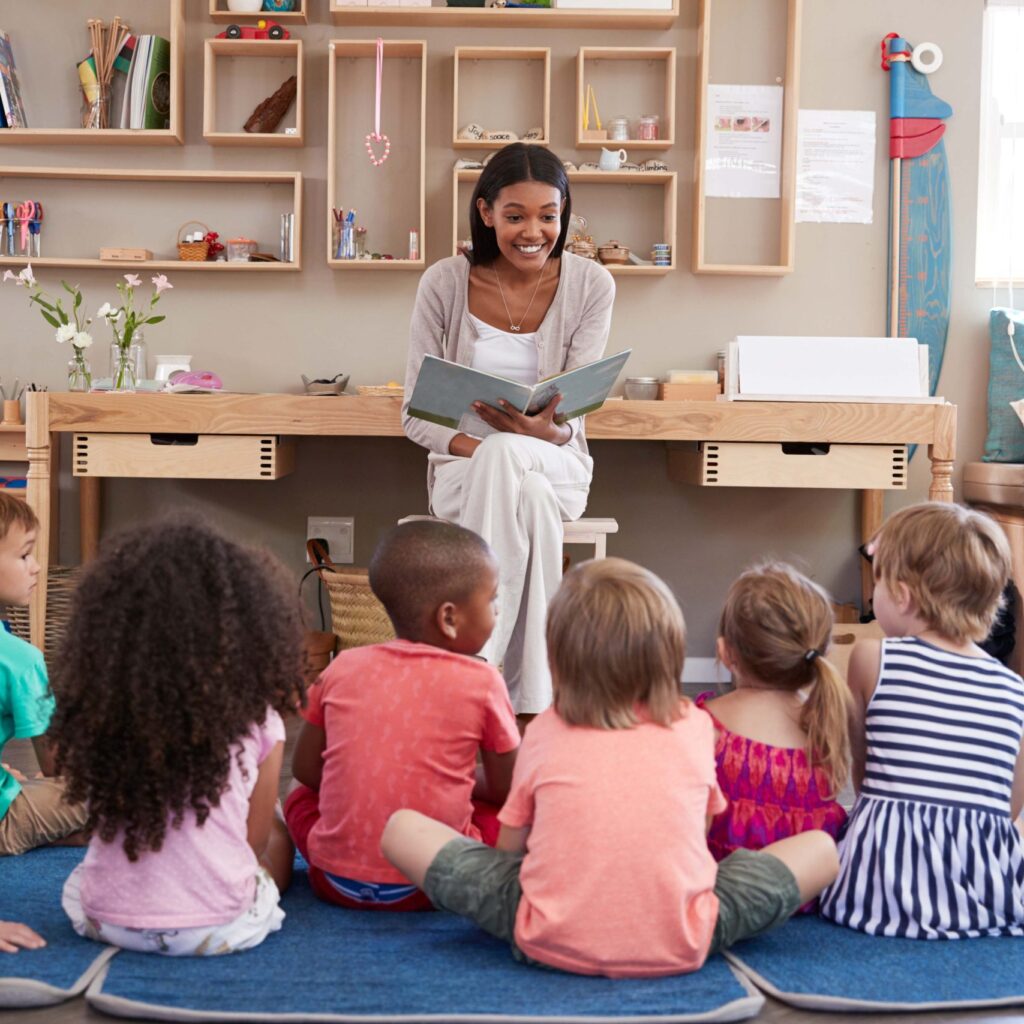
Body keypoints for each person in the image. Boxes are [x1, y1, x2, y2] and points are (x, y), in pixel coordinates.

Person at [381, 558, 838, 978]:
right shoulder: (696, 725)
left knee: (402, 828)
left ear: (558, 661)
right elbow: (698, 835)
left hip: (545, 936)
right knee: (821, 849)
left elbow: (508, 854)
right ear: (668, 656)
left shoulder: (544, 729)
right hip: (685, 937)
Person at [402, 142, 616, 716]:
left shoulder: (592, 285)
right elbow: (414, 417)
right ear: (486, 212)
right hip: (465, 473)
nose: (533, 232)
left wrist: (544, 434)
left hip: (558, 462)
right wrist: (486, 444)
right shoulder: (444, 283)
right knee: (528, 493)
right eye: (516, 216)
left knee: (520, 465)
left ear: (564, 214)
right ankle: (532, 697)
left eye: (548, 216)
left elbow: (573, 424)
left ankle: (471, 667)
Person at [49, 517, 305, 956]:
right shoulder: (260, 721)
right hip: (220, 929)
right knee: (276, 832)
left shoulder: (97, 715)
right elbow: (254, 842)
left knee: (83, 877)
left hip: (106, 921)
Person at [286, 520, 520, 911]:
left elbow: (307, 772)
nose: (497, 610)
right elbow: (509, 791)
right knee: (511, 814)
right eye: (493, 599)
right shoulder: (483, 681)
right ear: (449, 618)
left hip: (334, 880)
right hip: (432, 884)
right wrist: (459, 783)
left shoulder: (342, 667)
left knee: (297, 793)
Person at [820, 502, 1024, 938]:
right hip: (984, 894)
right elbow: (1006, 810)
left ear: (903, 595)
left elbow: (861, 770)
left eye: (877, 582)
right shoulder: (1016, 690)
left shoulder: (873, 658)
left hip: (880, 887)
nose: (873, 596)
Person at [697, 563, 849, 865]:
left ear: (725, 652)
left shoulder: (702, 725)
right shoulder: (824, 720)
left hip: (724, 880)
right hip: (805, 883)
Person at [0, 492, 86, 855]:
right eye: (24, 555)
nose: (35, 567)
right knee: (110, 789)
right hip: (2, 821)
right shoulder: (20, 660)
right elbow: (56, 767)